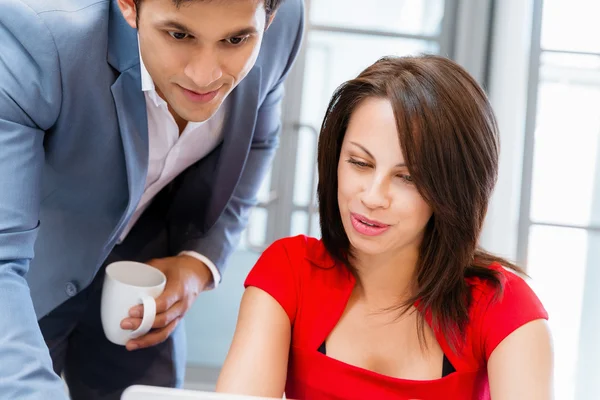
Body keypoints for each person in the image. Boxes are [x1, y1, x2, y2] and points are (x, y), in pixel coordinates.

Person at [0, 0, 303, 398]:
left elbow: (258, 141)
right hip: (28, 276)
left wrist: (198, 263)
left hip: (143, 270)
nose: (205, 76)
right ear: (129, 5)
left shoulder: (280, 20)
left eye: (235, 39)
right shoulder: (41, 37)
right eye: (179, 35)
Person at [216, 55, 554, 399]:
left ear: (455, 188)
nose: (373, 196)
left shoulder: (503, 305)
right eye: (359, 163)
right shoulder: (289, 271)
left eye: (407, 177)